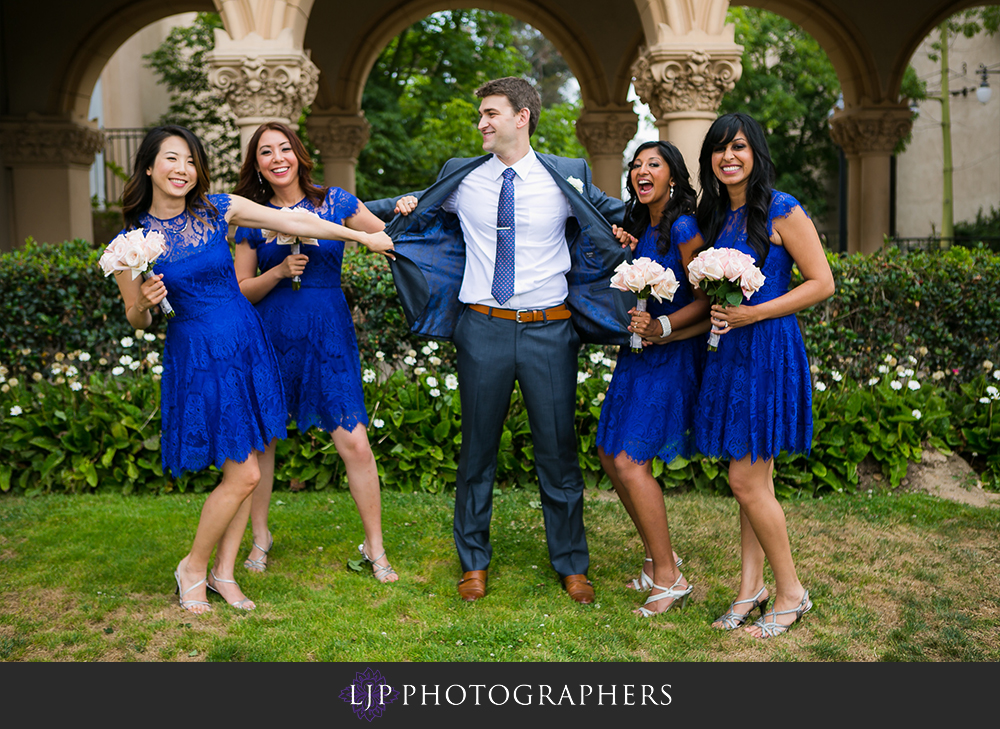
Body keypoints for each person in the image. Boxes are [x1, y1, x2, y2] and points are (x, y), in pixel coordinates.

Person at [368, 77, 632, 604]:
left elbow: (625, 216)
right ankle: (473, 564)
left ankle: (572, 565)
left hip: (550, 328)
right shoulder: (461, 177)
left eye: (491, 113)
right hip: (481, 327)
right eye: (481, 115)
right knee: (477, 452)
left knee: (558, 453)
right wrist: (386, 209)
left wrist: (642, 232)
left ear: (523, 116)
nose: (482, 123)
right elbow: (412, 212)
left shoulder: (571, 175)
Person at [110, 125, 393, 614]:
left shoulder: (219, 209)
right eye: (172, 160)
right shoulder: (129, 244)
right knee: (242, 474)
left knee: (249, 457)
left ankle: (224, 572)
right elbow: (137, 317)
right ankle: (194, 568)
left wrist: (357, 236)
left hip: (248, 343)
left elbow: (301, 223)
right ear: (150, 168)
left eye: (191, 161)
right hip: (199, 353)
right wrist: (148, 303)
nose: (182, 170)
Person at [232, 121, 399, 583]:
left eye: (285, 148)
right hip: (269, 336)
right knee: (263, 442)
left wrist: (402, 212)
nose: (277, 157)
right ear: (258, 165)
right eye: (266, 152)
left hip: (327, 335)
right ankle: (260, 536)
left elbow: (386, 238)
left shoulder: (336, 202)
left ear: (299, 154)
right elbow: (242, 289)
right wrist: (279, 272)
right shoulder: (251, 217)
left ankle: (375, 545)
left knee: (355, 442)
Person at [693, 112, 834, 638]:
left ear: (756, 154)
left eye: (739, 148)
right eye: (719, 149)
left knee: (745, 480)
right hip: (728, 353)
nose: (728, 157)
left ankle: (792, 593)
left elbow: (822, 282)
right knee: (753, 481)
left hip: (768, 348)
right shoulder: (716, 216)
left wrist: (755, 312)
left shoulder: (782, 208)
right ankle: (751, 588)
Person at [595, 141, 710, 616]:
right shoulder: (646, 226)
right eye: (636, 165)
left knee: (629, 460)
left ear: (674, 178)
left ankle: (670, 577)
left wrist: (664, 326)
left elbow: (709, 297)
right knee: (608, 452)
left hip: (672, 353)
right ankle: (653, 557)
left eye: (653, 165)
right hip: (639, 353)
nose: (642, 171)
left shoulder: (683, 225)